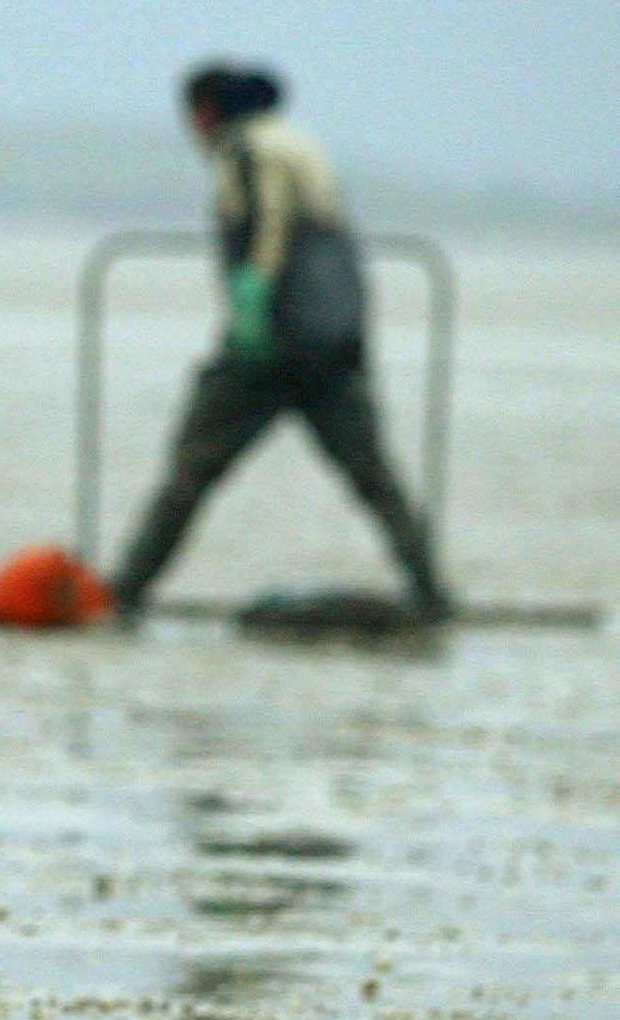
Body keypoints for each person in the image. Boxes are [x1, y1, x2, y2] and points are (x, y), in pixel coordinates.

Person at [110, 65, 450, 622]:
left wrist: (254, 296)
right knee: (373, 476)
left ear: (205, 112)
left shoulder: (246, 151)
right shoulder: (298, 143)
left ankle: (125, 593)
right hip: (333, 348)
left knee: (190, 472)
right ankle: (432, 592)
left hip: (267, 350)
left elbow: (270, 227)